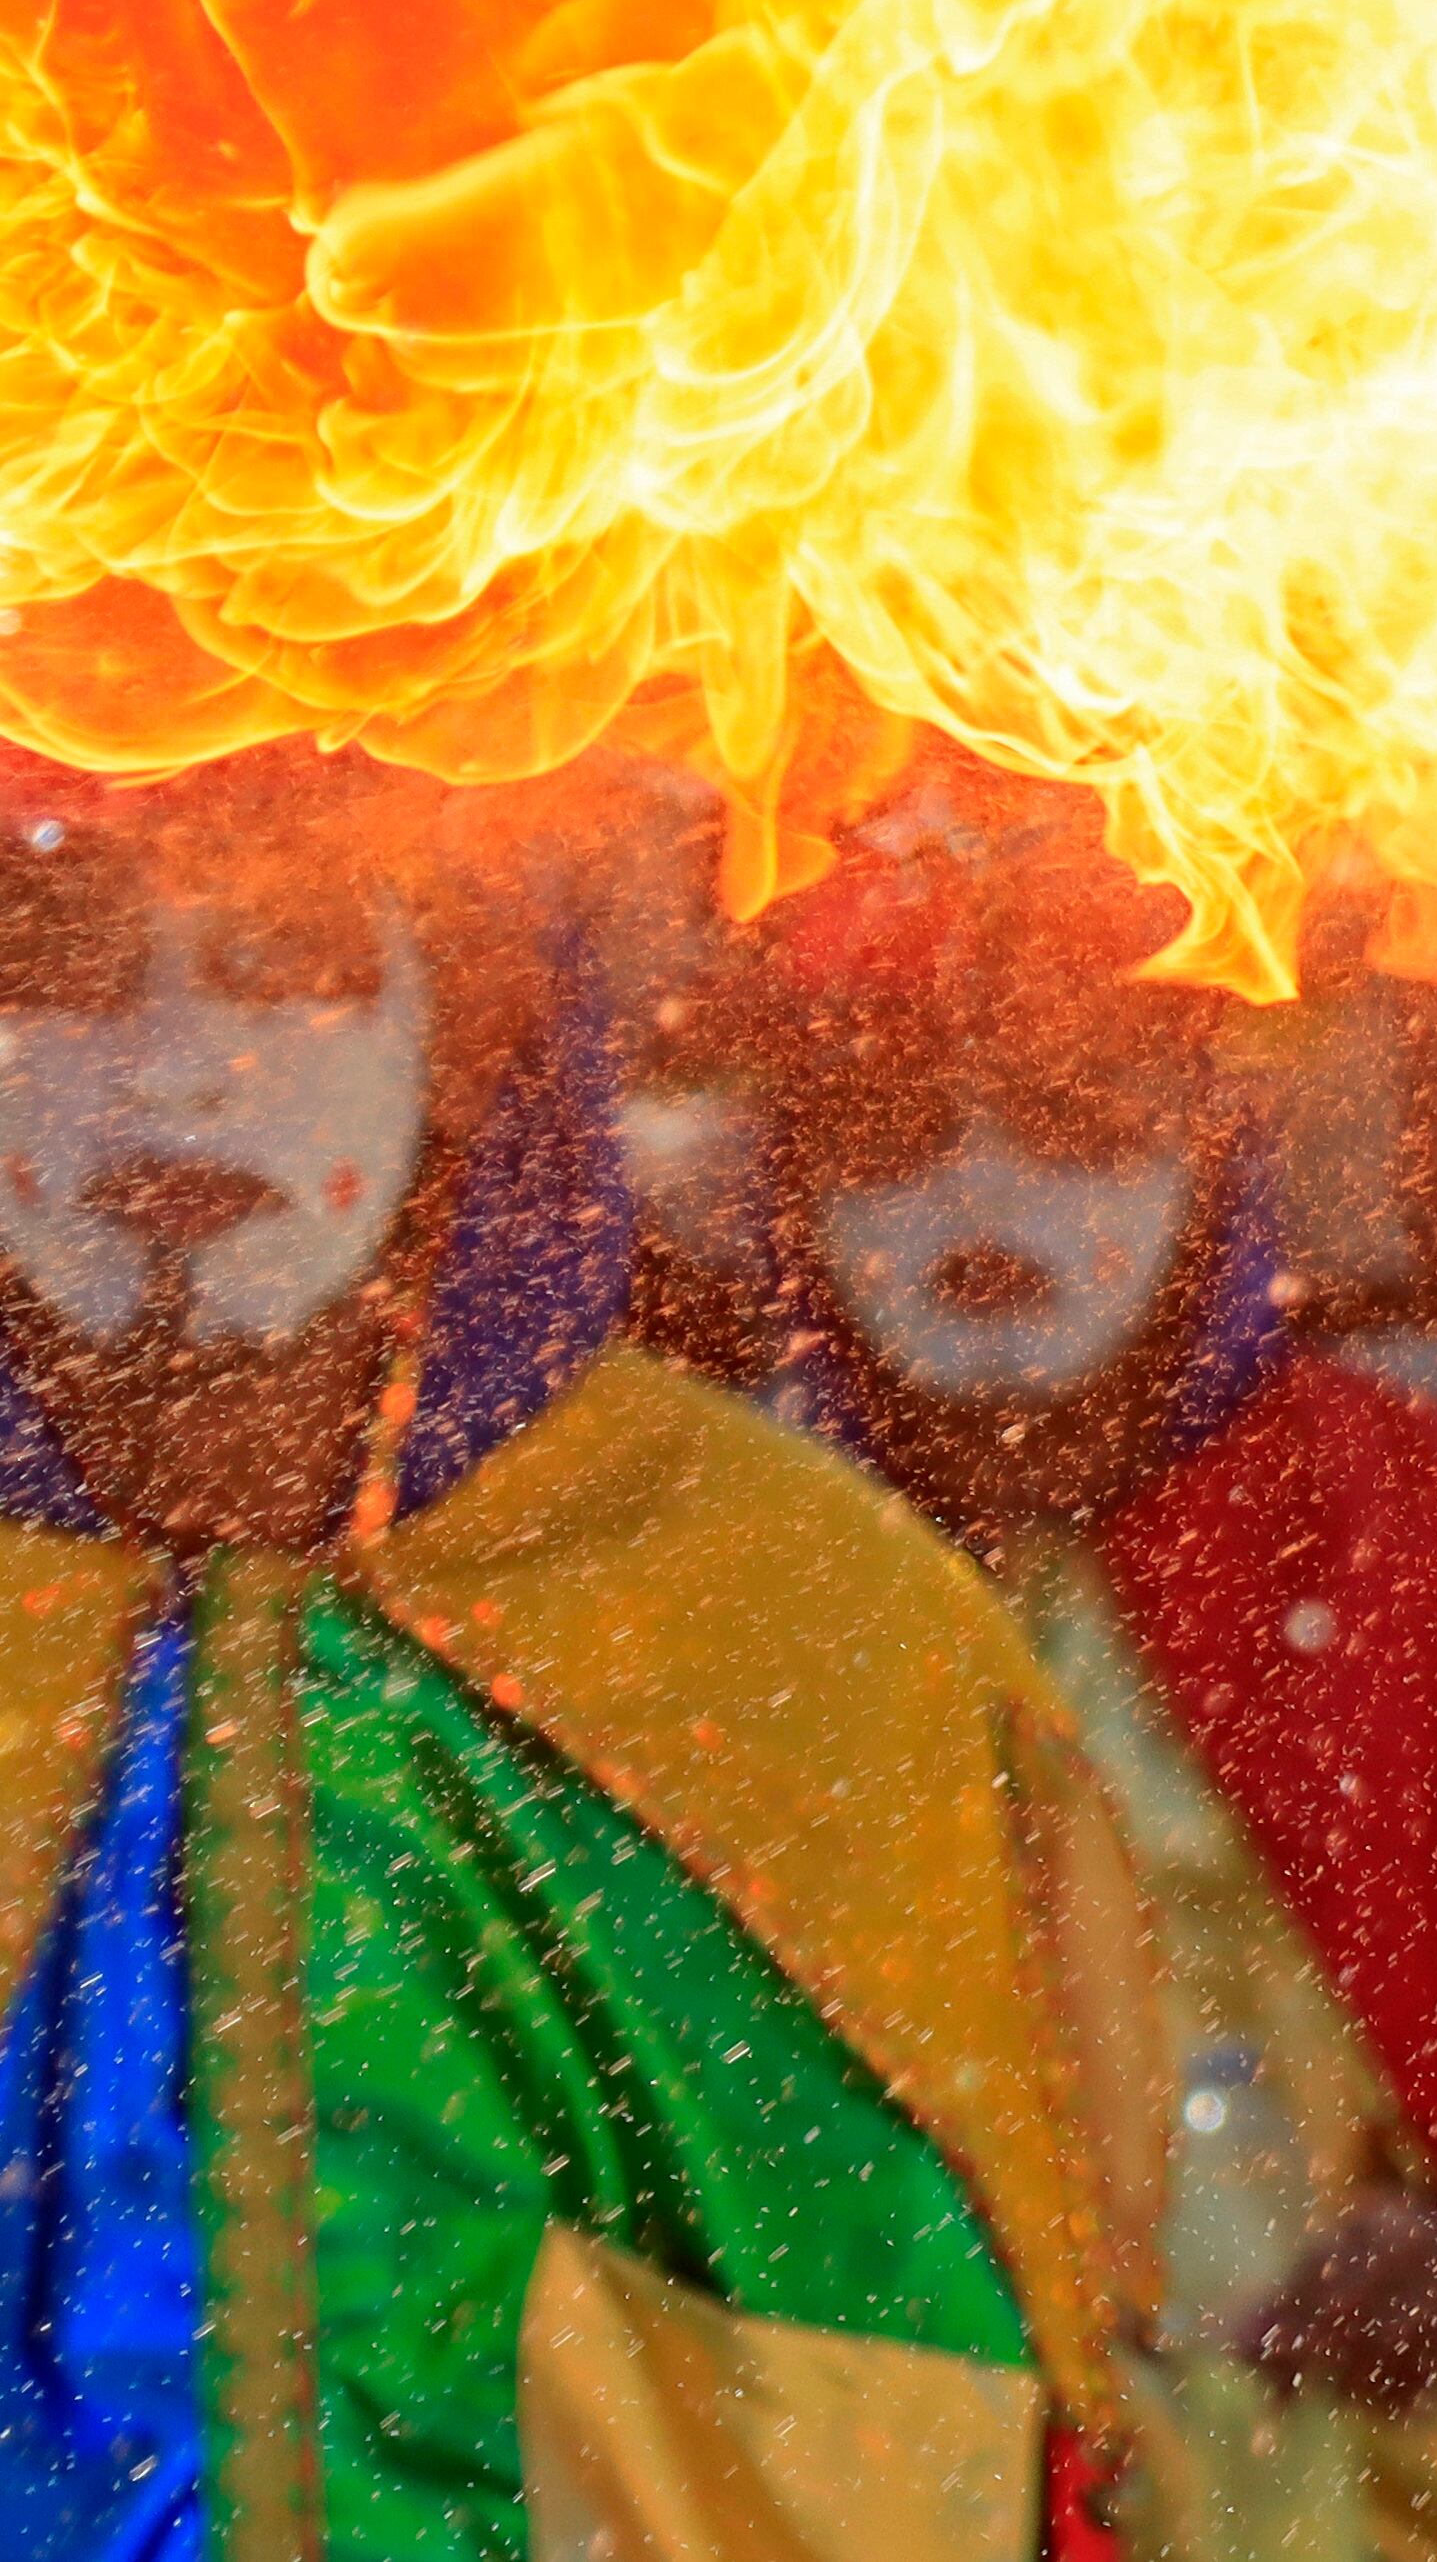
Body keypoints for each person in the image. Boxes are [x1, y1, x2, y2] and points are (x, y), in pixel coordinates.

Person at [0, 749, 1163, 2559]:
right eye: (59, 975)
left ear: (464, 1039)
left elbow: (946, 2389)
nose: (165, 1073)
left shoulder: (800, 1609)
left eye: (280, 966)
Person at [723, 776, 1437, 2562]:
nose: (984, 1194)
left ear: (1212, 1143)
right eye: (899, 1128)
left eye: (1079, 1120)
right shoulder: (698, 1586)